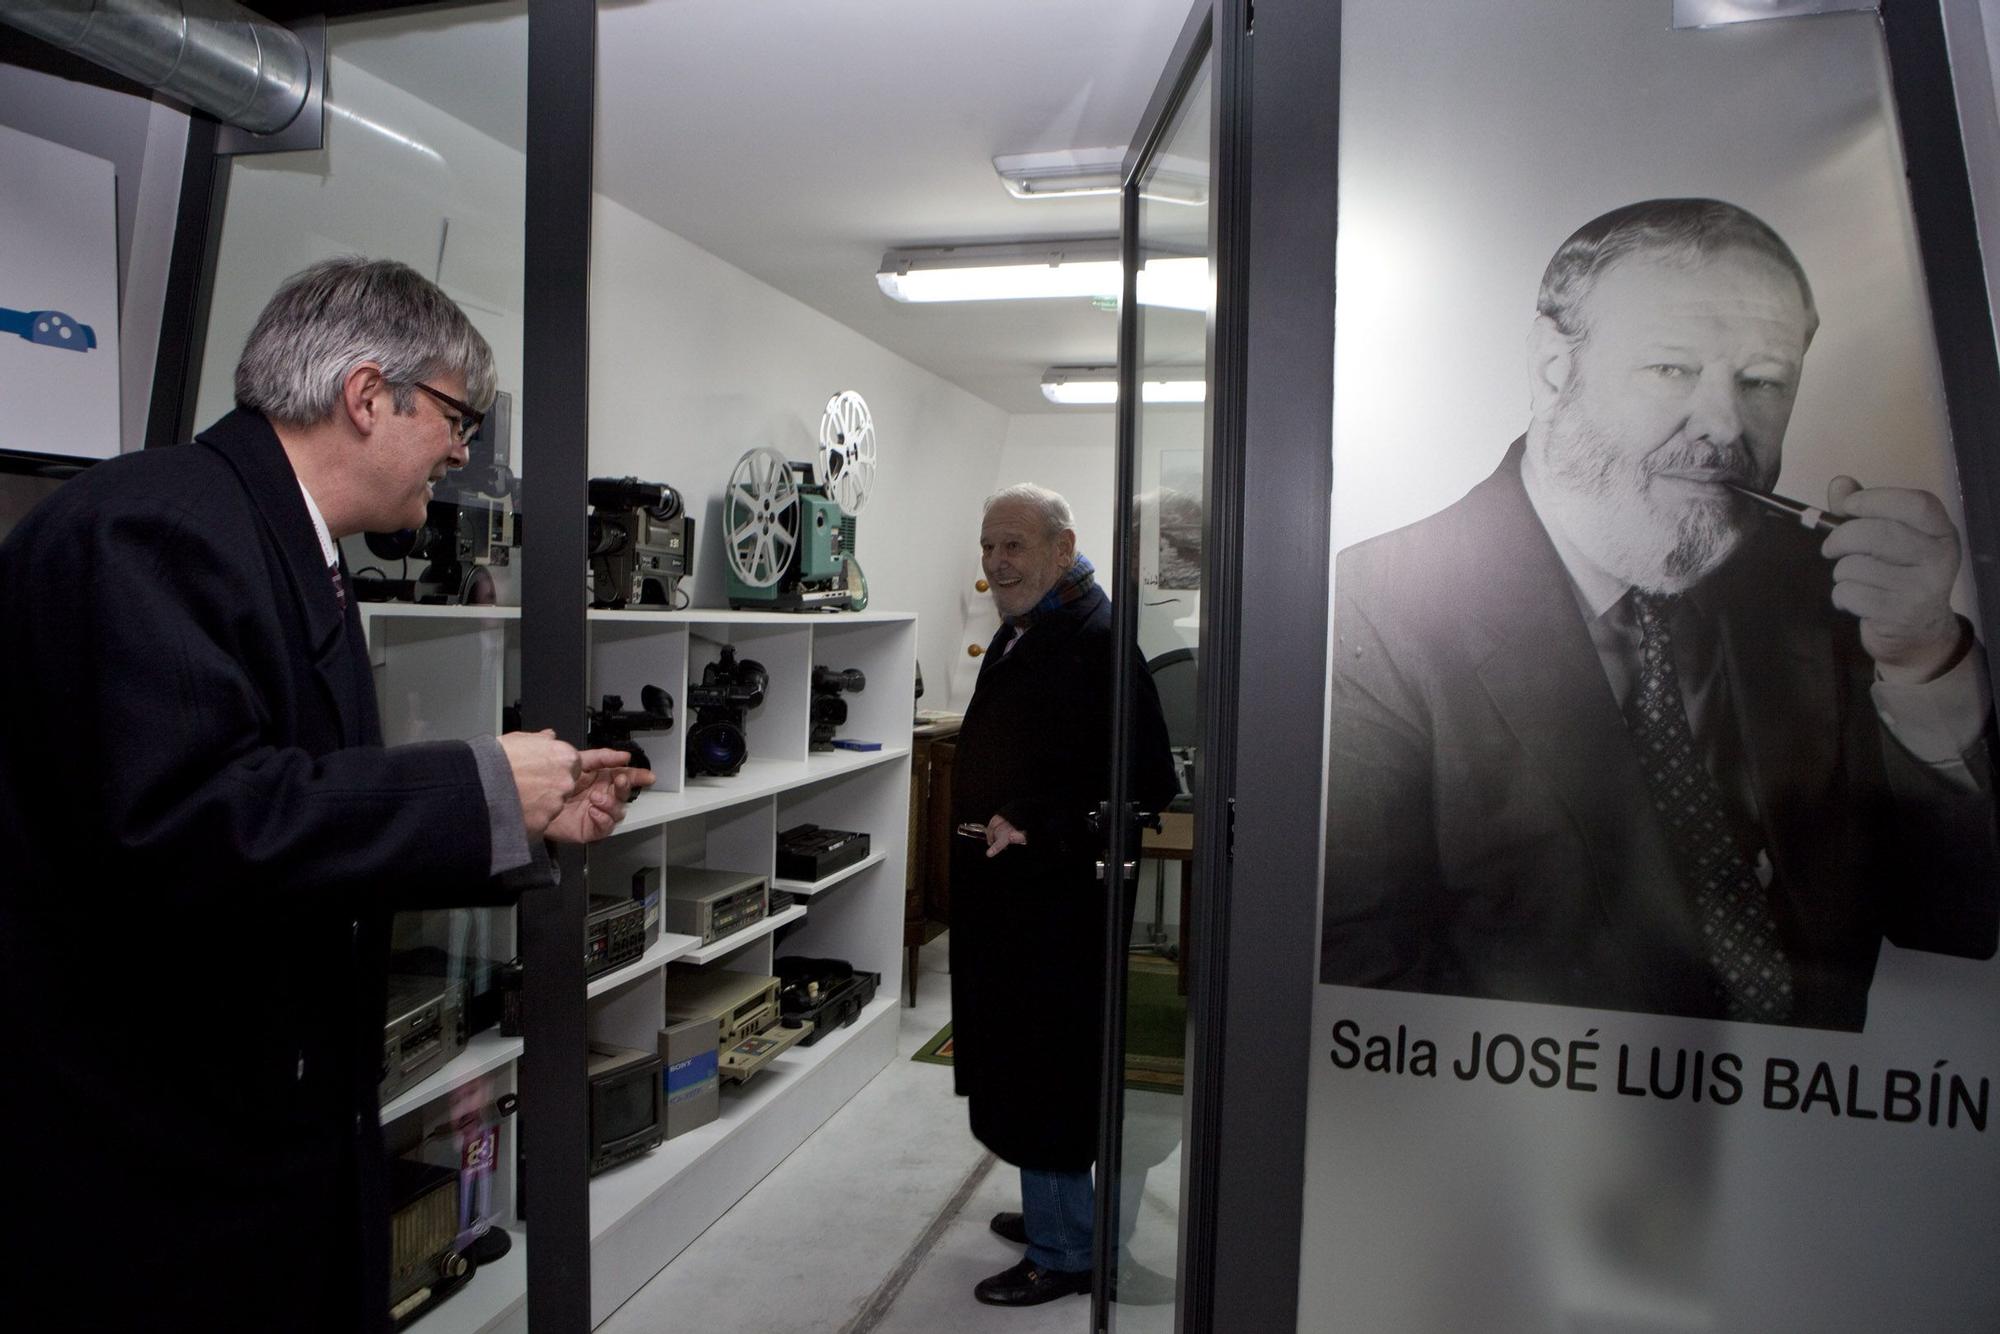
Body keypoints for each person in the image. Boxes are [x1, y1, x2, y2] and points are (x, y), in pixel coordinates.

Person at [0, 258, 653, 1332]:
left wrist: (520, 811)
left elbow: (308, 812)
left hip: (259, 1127)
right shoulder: (155, 528)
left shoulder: (282, 545)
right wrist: (480, 780)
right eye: (457, 416)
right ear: (365, 394)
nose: (462, 450)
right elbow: (196, 822)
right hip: (165, 1162)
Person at [1320, 198, 2000, 1030]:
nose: (1723, 425)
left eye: (1762, 381)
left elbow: (1954, 917)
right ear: (1552, 366)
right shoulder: (1377, 603)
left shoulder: (1823, 586)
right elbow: (1358, 991)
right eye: (1673, 369)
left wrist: (1920, 656)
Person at [949, 483, 1176, 1307]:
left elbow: (1147, 781)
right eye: (988, 546)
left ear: (1061, 545)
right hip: (1014, 903)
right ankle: (1057, 1208)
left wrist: (1040, 826)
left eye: (1014, 545)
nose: (998, 562)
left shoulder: (1100, 642)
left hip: (1058, 910)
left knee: (1047, 1078)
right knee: (1026, 1073)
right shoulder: (1032, 631)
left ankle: (1068, 1250)